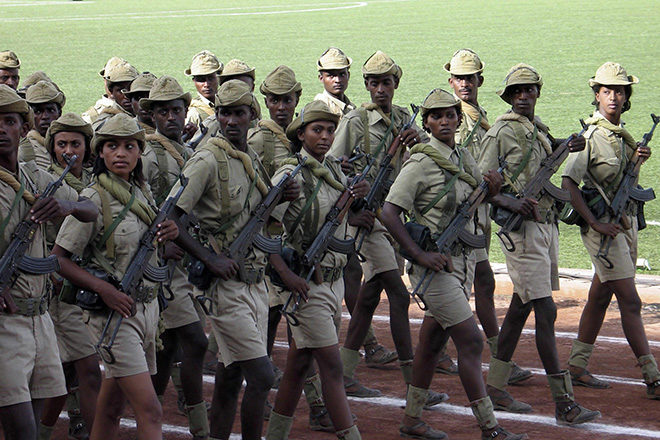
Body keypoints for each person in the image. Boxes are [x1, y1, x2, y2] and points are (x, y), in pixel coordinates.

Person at [381, 88, 525, 440]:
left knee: (430, 345)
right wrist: (417, 254)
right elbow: (389, 211)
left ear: (459, 119)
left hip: (460, 262)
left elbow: (479, 194)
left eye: (450, 115)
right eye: (437, 116)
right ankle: (489, 427)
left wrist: (495, 189)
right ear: (427, 122)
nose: (445, 120)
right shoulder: (420, 162)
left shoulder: (461, 156)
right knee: (472, 342)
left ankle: (412, 420)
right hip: (434, 267)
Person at [166, 79, 298, 440]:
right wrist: (208, 258)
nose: (231, 121)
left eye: (239, 113)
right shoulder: (207, 159)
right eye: (225, 113)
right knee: (262, 376)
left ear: (253, 115)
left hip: (254, 283)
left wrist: (283, 193)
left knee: (230, 377)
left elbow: (257, 214)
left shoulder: (249, 157)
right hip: (226, 289)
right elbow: (171, 219)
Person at [477, 63, 600, 425]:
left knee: (520, 307)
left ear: (536, 93)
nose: (523, 96)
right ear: (509, 97)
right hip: (521, 232)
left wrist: (568, 144)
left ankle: (496, 388)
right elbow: (482, 184)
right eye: (517, 91)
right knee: (545, 311)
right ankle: (564, 403)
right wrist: (512, 202)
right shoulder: (499, 132)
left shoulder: (538, 129)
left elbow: (542, 161)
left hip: (546, 227)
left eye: (529, 90)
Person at [52, 113, 179, 440]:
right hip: (114, 317)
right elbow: (59, 259)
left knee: (110, 408)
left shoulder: (143, 192)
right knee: (150, 410)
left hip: (148, 312)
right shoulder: (94, 199)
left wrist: (170, 232)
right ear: (101, 153)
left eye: (129, 146)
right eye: (112, 146)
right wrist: (102, 289)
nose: (120, 153)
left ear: (139, 153)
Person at [329, 51, 441, 404]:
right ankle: (413, 386)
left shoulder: (404, 119)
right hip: (368, 221)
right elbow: (329, 169)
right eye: (374, 83)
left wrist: (417, 140)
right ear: (366, 85)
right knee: (397, 292)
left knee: (367, 299)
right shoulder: (355, 121)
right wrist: (348, 213)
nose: (380, 89)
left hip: (391, 218)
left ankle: (345, 374)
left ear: (396, 84)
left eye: (386, 83)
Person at [0, 85, 98, 440]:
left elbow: (92, 209)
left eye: (9, 121)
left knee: (40, 412)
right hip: (5, 321)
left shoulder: (34, 177)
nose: (1, 129)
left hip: (40, 318)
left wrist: (66, 206)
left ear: (23, 129)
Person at [266, 100, 366, 440]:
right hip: (307, 285)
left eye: (329, 130)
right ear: (301, 134)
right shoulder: (289, 174)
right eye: (316, 130)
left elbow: (338, 221)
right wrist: (287, 275)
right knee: (331, 367)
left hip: (331, 282)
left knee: (298, 367)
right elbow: (265, 229)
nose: (324, 136)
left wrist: (355, 200)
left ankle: (276, 434)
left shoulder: (335, 171)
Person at [562, 61, 660, 399]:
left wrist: (638, 160)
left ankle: (576, 365)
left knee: (599, 297)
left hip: (624, 226)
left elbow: (622, 181)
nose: (614, 97)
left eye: (619, 90)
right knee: (630, 302)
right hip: (603, 231)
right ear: (597, 95)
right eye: (607, 91)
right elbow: (569, 183)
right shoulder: (590, 137)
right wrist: (593, 222)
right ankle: (652, 376)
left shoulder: (622, 137)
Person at [442, 49, 532, 383]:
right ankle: (498, 357)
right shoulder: (451, 116)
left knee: (469, 282)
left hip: (479, 210)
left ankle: (439, 351)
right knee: (474, 281)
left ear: (480, 80)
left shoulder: (481, 116)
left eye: (470, 78)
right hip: (460, 211)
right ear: (451, 81)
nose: (465, 84)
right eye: (459, 78)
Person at [139, 75, 210, 439]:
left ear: (186, 112)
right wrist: (157, 243)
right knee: (196, 341)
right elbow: (141, 207)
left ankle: (151, 411)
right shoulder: (149, 154)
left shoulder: (187, 150)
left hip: (184, 260)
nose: (171, 117)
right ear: (151, 115)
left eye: (176, 110)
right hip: (162, 265)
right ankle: (199, 424)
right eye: (163, 111)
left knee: (167, 348)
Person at [315, 47, 394, 369]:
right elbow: (326, 166)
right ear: (320, 76)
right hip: (338, 208)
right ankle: (365, 345)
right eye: (331, 73)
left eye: (342, 72)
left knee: (357, 274)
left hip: (356, 204)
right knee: (344, 275)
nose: (337, 78)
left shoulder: (353, 109)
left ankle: (361, 345)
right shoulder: (321, 110)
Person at [38, 113, 102, 440]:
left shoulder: (93, 180)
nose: (69, 150)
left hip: (85, 285)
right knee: (88, 371)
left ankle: (41, 432)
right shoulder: (46, 181)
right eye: (61, 144)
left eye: (75, 143)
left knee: (62, 376)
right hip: (59, 289)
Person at [19, 80, 65, 169]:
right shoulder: (25, 148)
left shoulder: (71, 142)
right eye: (38, 111)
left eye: (50, 110)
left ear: (59, 113)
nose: (45, 116)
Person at [81, 57, 138, 128]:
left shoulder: (144, 112)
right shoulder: (94, 116)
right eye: (120, 90)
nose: (126, 95)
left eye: (130, 88)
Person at [314, 47, 356, 118]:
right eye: (331, 76)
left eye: (342, 74)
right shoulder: (320, 109)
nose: (338, 80)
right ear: (321, 78)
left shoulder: (350, 107)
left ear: (348, 75)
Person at [185, 50, 223, 127]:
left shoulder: (227, 102)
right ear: (194, 81)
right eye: (201, 80)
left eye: (211, 78)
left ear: (219, 78)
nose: (206, 84)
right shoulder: (194, 114)